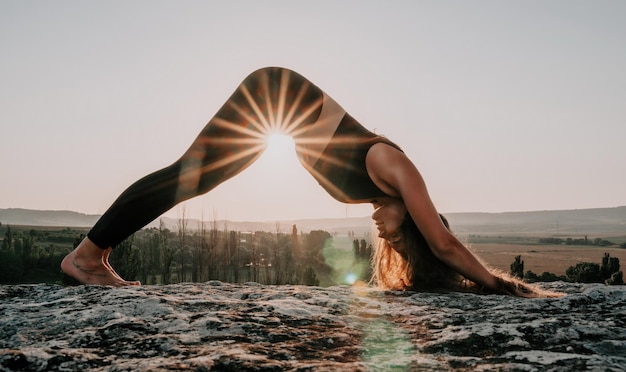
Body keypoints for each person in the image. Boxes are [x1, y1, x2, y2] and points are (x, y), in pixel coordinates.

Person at [61, 67, 560, 297]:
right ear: (415, 217)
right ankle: (86, 257)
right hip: (274, 96)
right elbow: (445, 244)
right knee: (186, 179)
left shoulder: (375, 186)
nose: (384, 236)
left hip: (277, 115)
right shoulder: (397, 168)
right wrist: (503, 287)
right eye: (400, 238)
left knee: (191, 180)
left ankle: (92, 255)